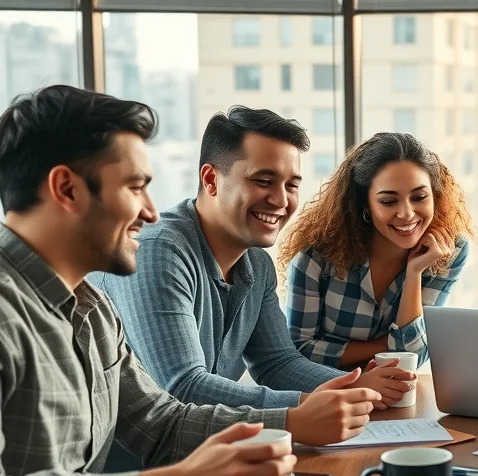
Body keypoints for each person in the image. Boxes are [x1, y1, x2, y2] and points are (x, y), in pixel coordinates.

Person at [0, 86, 380, 476]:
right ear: (67, 189)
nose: (150, 210)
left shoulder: (90, 307)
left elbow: (161, 423)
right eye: (134, 187)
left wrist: (294, 419)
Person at [93, 107, 413, 421]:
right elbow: (182, 386)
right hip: (142, 466)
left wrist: (355, 386)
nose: (280, 200)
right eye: (263, 181)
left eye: (291, 185)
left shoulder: (257, 266)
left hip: (213, 454)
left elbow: (276, 363)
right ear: (210, 179)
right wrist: (309, 406)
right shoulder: (157, 252)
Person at [278, 132, 473, 371]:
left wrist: (414, 273)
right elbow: (299, 351)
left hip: (398, 394)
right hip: (328, 393)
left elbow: (414, 356)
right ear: (365, 206)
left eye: (420, 197)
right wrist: (390, 346)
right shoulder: (315, 259)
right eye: (389, 202)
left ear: (435, 196)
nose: (407, 214)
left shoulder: (450, 250)